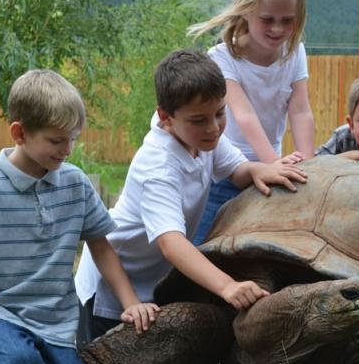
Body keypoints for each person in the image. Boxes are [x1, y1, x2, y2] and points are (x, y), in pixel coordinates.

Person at [0, 70, 157, 364]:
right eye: (56, 141)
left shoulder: (75, 184)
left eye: (73, 139)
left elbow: (101, 247)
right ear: (20, 133)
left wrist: (130, 302)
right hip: (0, 311)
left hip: (56, 319)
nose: (67, 150)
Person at [75, 49, 306, 344]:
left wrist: (259, 170)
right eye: (199, 120)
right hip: (114, 286)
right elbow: (171, 244)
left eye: (220, 113)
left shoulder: (199, 138)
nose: (213, 128)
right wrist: (227, 286)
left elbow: (235, 169)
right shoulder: (158, 167)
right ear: (165, 117)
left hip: (152, 280)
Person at [188, 0, 315, 244]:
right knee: (203, 246)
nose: (278, 29)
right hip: (227, 173)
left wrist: (308, 163)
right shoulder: (222, 58)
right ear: (245, 10)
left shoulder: (294, 52)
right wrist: (271, 163)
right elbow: (243, 114)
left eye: (288, 21)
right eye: (267, 19)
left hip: (273, 171)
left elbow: (300, 110)